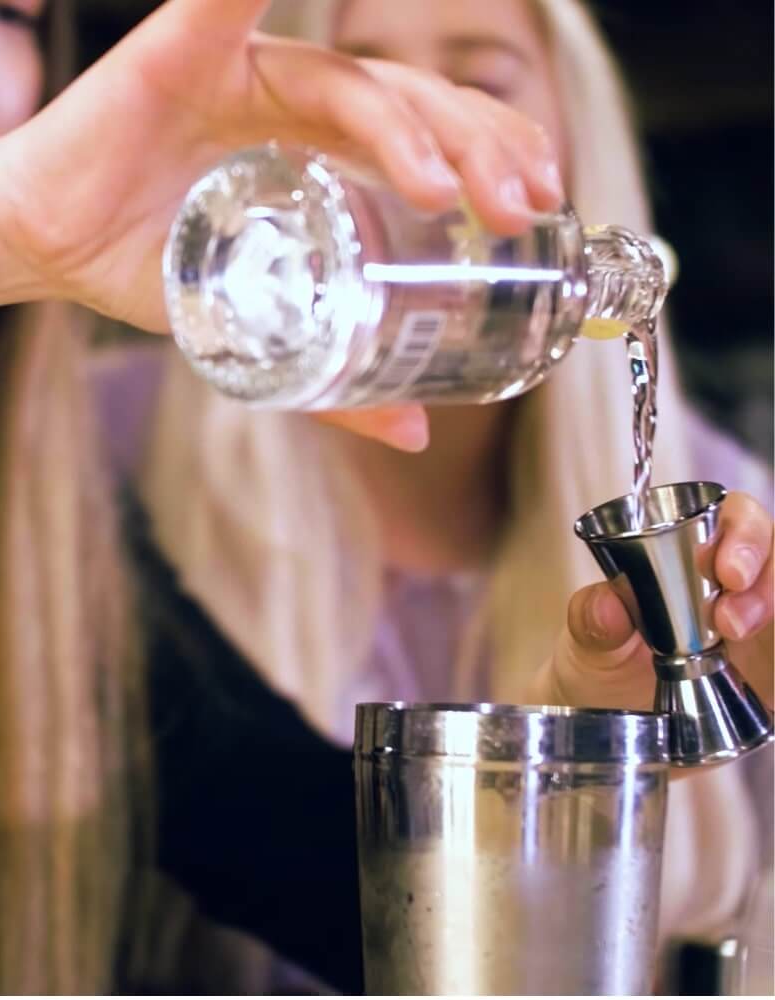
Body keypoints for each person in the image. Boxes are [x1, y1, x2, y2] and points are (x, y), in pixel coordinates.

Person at [0, 0, 580, 993]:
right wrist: (3, 215)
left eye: (7, 12)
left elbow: (352, 887)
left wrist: (583, 719)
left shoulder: (45, 533)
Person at [136, 0, 774, 980]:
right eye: (361, 80)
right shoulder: (115, 455)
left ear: (573, 142)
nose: (420, 132)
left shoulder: (724, 508)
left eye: (478, 81)